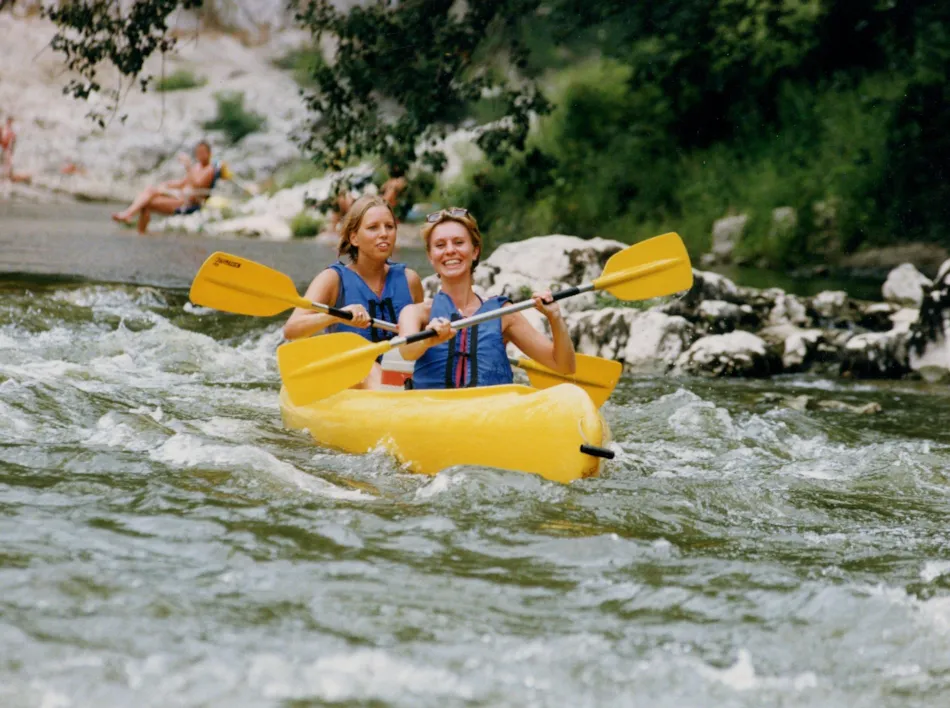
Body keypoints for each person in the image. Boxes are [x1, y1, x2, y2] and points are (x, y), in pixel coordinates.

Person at [398, 207, 576, 389]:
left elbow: (563, 366)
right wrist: (428, 339)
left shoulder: (504, 313)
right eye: (440, 245)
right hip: (433, 411)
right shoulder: (416, 313)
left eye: (459, 242)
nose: (450, 250)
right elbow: (406, 351)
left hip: (489, 413)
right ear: (430, 256)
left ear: (475, 251)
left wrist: (555, 318)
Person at [283, 194, 425, 389]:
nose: (384, 233)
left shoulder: (410, 280)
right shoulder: (332, 279)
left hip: (399, 379)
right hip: (352, 379)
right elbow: (292, 330)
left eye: (389, 227)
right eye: (373, 227)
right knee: (370, 369)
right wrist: (335, 317)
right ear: (354, 237)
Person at [111, 140, 219, 234]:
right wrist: (167, 185)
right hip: (180, 196)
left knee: (147, 202)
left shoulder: (209, 169)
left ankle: (136, 225)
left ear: (209, 153)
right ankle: (132, 220)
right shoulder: (196, 167)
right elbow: (182, 183)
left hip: (189, 202)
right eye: (198, 152)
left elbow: (197, 185)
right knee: (150, 191)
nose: (200, 155)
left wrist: (188, 166)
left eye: (202, 152)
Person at [0, 116, 32, 184]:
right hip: (6, 150)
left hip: (7, 151)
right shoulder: (5, 130)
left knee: (7, 169)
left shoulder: (9, 131)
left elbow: (9, 142)